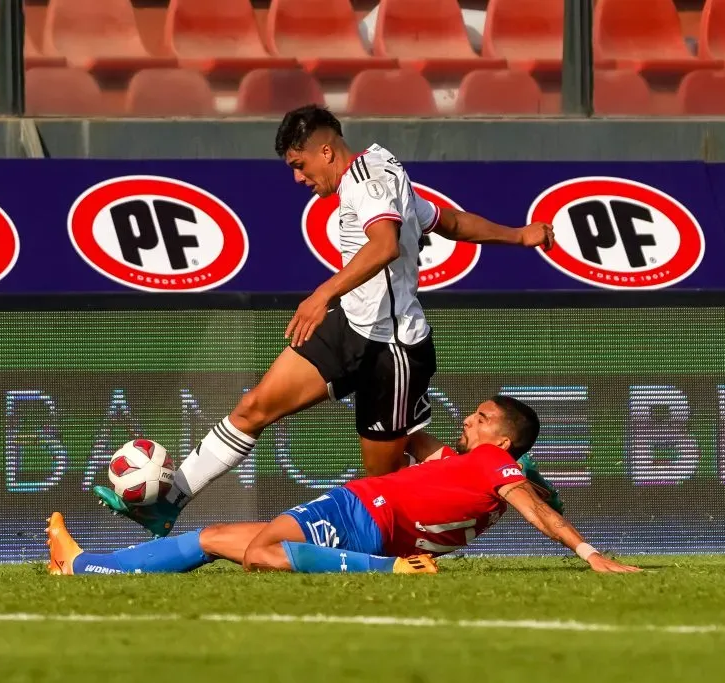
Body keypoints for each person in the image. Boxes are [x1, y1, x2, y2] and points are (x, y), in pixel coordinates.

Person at [92, 105, 556, 538]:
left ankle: (505, 479)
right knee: (254, 408)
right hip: (350, 326)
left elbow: (384, 246)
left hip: (390, 352)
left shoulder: (370, 182)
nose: (298, 178)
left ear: (326, 150)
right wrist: (519, 235)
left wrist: (321, 293)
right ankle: (169, 500)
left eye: (300, 165)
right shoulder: (378, 173)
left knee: (384, 481)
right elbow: (446, 222)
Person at [50, 396, 640, 575]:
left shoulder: (494, 467)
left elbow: (536, 511)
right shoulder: (471, 462)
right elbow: (410, 435)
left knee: (260, 551)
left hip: (364, 512)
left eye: (482, 419)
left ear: (504, 443)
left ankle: (394, 575)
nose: (470, 419)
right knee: (214, 535)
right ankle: (82, 565)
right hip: (374, 524)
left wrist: (590, 555)